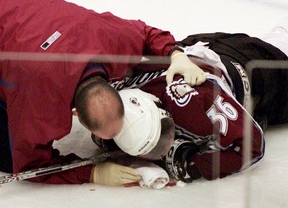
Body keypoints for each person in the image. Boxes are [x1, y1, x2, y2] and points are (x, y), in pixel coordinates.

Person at [0, 0, 206, 185]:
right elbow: (29, 165)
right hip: (15, 26)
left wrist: (176, 55)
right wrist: (92, 173)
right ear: (77, 117)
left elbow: (146, 34)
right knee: (8, 157)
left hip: (18, 9)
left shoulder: (109, 38)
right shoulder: (38, 99)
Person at [94, 19, 288, 182]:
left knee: (279, 41)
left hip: (260, 69)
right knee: (278, 36)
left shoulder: (193, 100)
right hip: (204, 47)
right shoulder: (114, 97)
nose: (163, 149)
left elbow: (252, 146)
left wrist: (194, 162)